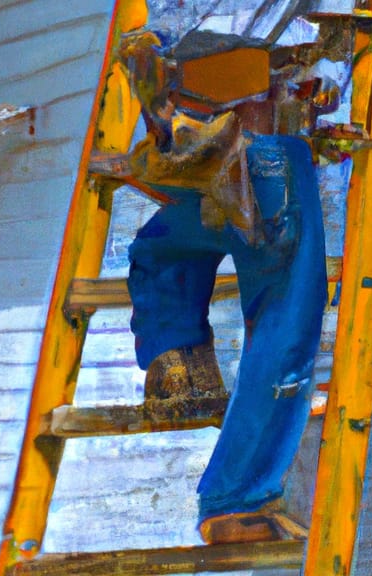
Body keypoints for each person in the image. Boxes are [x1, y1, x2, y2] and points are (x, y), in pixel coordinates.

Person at [112, 28, 330, 544]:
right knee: (285, 304)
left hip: (184, 140)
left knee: (166, 243)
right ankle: (239, 498)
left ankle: (177, 359)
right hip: (259, 139)